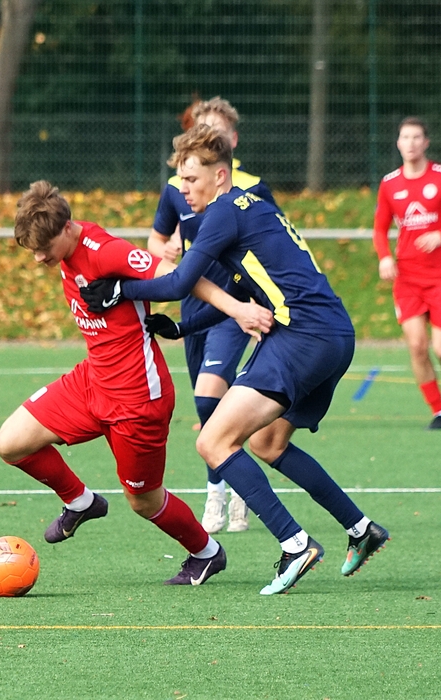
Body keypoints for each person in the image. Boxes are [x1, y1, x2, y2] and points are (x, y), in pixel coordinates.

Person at [82, 125, 390, 595]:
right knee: (268, 443)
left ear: (220, 175)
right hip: (334, 334)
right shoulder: (253, 206)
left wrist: (121, 289)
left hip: (303, 336)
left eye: (190, 179)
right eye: (180, 180)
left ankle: (295, 544)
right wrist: (183, 328)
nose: (183, 190)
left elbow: (179, 282)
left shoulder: (223, 212)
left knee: (212, 442)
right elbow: (242, 293)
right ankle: (360, 529)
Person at [0, 180, 272, 585]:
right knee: (9, 442)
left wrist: (237, 309)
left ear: (67, 228)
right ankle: (80, 501)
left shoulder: (106, 251)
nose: (38, 259)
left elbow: (181, 276)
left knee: (144, 500)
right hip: (92, 380)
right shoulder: (66, 246)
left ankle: (206, 552)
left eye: (44, 249)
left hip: (138, 398)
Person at [147, 97, 279, 535]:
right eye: (200, 129)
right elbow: (156, 241)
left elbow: (273, 242)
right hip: (195, 304)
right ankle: (234, 475)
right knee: (207, 403)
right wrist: (165, 250)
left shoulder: (251, 189)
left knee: (208, 396)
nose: (207, 136)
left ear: (231, 141)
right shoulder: (178, 187)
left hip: (235, 306)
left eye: (216, 132)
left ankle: (219, 492)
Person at [373, 117, 441, 431]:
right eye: (405, 137)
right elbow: (379, 229)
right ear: (398, 143)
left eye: (417, 137)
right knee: (417, 346)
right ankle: (439, 412)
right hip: (407, 278)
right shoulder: (390, 183)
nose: (411, 143)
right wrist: (384, 257)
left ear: (426, 142)